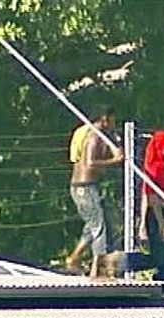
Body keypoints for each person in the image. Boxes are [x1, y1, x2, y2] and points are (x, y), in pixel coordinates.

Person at [64, 106, 124, 278]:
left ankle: (74, 258)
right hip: (85, 187)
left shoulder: (102, 136)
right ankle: (98, 271)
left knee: (94, 224)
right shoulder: (94, 136)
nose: (114, 123)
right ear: (105, 118)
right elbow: (90, 163)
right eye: (113, 119)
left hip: (89, 186)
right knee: (100, 227)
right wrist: (115, 160)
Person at [136, 130, 164, 285]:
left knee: (158, 255)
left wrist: (142, 223)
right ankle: (124, 262)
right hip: (157, 214)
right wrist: (162, 225)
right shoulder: (157, 168)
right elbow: (152, 197)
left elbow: (146, 195)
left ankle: (124, 262)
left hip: (153, 213)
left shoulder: (151, 166)